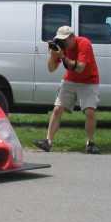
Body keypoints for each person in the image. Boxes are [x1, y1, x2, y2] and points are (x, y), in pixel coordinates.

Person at [33, 26, 101, 154]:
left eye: (65, 40)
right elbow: (51, 68)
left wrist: (63, 57)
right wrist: (53, 55)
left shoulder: (84, 43)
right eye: (60, 40)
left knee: (90, 112)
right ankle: (48, 141)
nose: (62, 43)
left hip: (89, 80)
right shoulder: (62, 48)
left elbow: (80, 68)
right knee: (57, 108)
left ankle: (90, 143)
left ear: (72, 37)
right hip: (70, 80)